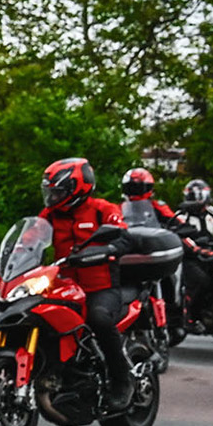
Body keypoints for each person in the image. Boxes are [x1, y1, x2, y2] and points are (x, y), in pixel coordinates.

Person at [40, 157, 134, 405]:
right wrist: (7, 255)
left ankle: (121, 380)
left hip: (101, 287)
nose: (53, 197)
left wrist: (108, 249)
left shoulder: (103, 209)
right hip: (65, 286)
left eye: (58, 192)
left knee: (99, 318)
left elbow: (124, 238)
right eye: (50, 192)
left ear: (76, 190)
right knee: (39, 315)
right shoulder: (50, 215)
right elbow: (31, 238)